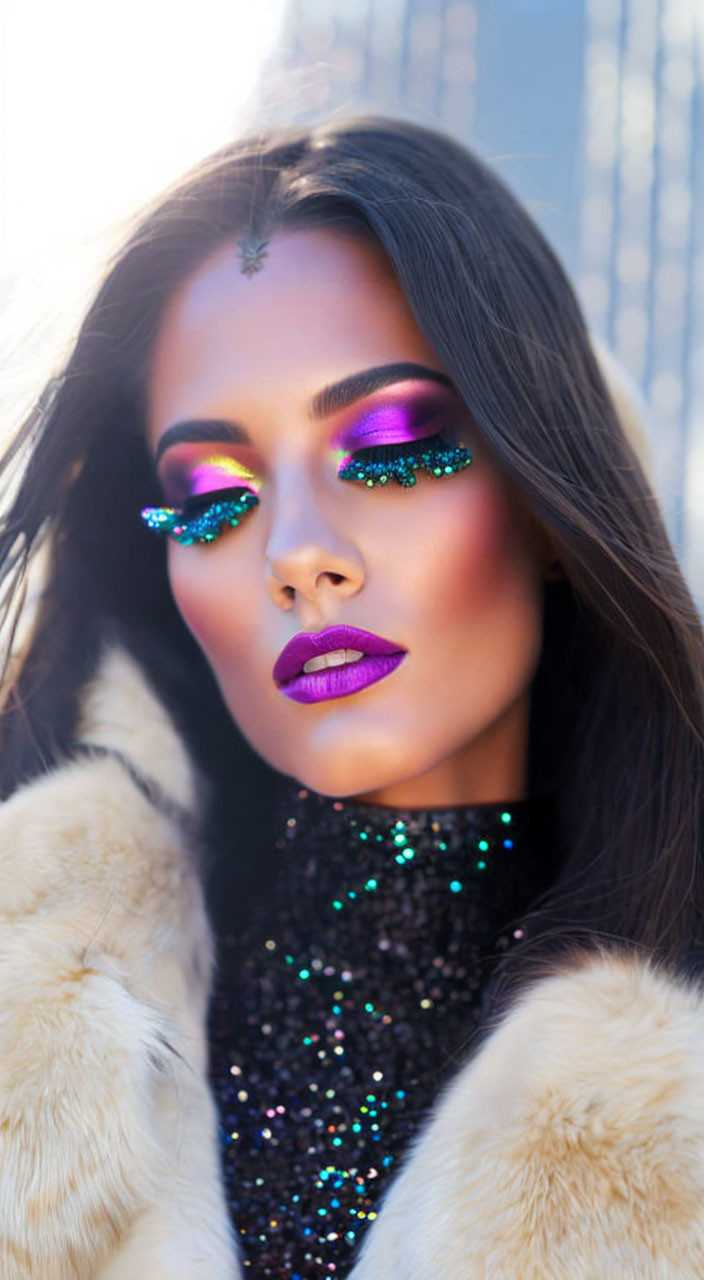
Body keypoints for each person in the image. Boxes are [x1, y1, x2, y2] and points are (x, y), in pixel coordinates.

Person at [1, 115, 703, 1280]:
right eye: (210, 498)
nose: (297, 554)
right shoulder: (39, 1018)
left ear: (542, 499)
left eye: (386, 447)